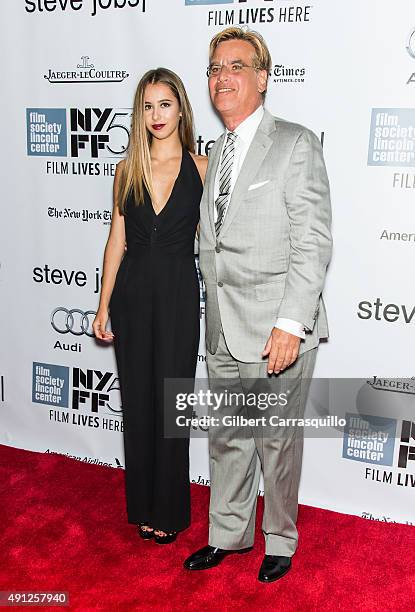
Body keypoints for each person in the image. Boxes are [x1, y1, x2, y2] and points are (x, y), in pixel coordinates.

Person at [184, 28, 332, 581]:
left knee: (278, 441)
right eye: (214, 68)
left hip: (277, 326)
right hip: (222, 327)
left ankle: (281, 539)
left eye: (236, 66)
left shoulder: (294, 143)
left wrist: (292, 324)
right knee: (227, 439)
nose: (222, 77)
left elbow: (313, 241)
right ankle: (228, 533)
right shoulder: (215, 152)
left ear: (263, 78)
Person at [93, 68, 207, 544]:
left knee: (171, 403)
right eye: (147, 106)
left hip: (180, 292)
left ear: (180, 107)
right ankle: (142, 504)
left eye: (165, 104)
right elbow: (116, 240)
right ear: (139, 114)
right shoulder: (127, 168)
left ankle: (171, 510)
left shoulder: (202, 167)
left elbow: (214, 242)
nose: (156, 115)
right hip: (133, 295)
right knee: (138, 402)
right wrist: (102, 307)